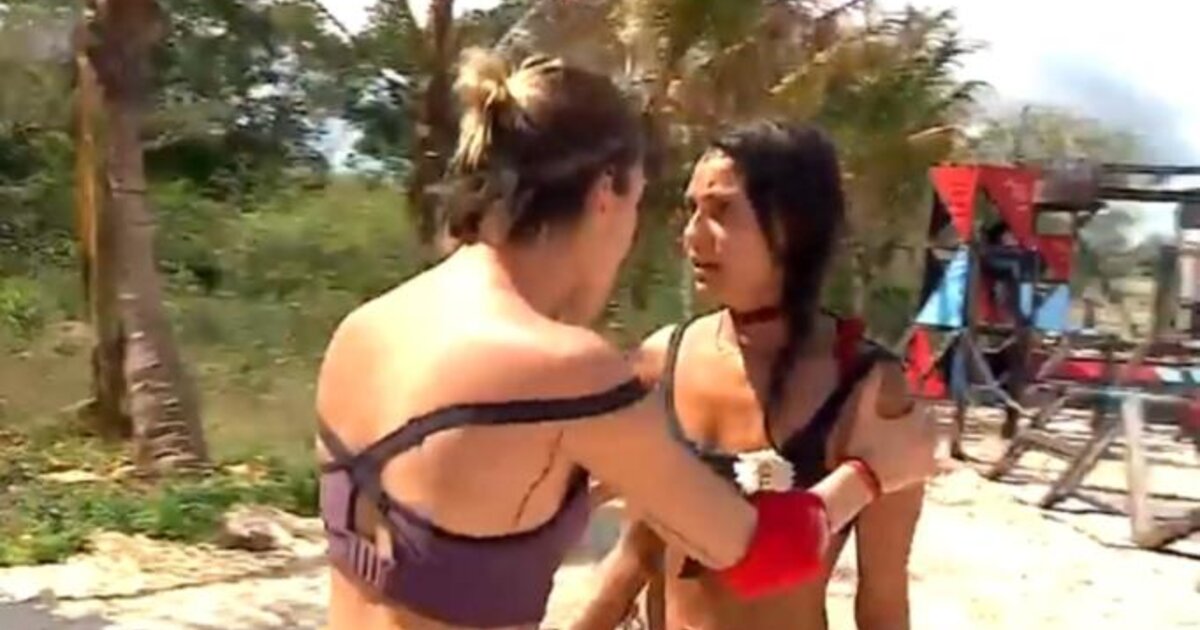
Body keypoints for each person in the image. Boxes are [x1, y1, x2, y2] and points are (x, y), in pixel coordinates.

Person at [315, 51, 937, 630]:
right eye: (646, 203)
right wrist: (870, 474)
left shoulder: (367, 329)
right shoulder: (566, 369)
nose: (685, 237)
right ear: (606, 194)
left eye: (720, 212)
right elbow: (760, 553)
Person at [573, 122, 928, 630]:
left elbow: (883, 599)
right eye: (692, 210)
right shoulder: (663, 359)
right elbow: (641, 549)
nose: (692, 235)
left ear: (793, 224)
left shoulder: (866, 390)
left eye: (721, 211)